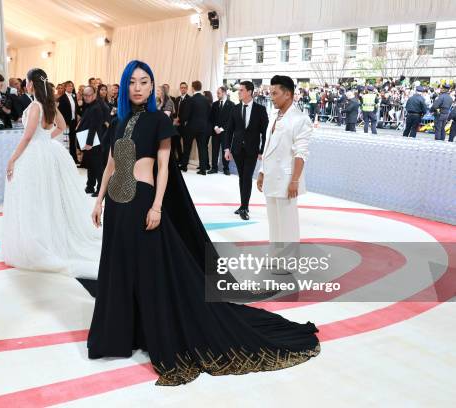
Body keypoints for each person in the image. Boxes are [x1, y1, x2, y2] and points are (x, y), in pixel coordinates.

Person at [87, 60, 320, 386]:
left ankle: (156, 330)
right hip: (116, 205)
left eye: (144, 81)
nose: (138, 87)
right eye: (132, 82)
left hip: (142, 202)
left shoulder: (159, 120)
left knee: (151, 273)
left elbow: (165, 169)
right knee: (119, 269)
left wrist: (156, 207)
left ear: (152, 86)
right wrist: (98, 201)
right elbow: (110, 163)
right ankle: (122, 334)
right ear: (125, 86)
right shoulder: (119, 120)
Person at [1, 68, 101, 278]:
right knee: (47, 197)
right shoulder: (49, 105)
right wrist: (46, 138)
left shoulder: (36, 106)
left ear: (30, 84)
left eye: (26, 81)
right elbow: (63, 126)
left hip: (33, 155)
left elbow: (27, 137)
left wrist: (12, 159)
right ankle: (49, 235)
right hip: (47, 152)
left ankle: (37, 240)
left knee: (33, 198)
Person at [257, 75, 311, 247]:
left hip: (287, 179)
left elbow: (301, 154)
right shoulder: (274, 115)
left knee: (287, 223)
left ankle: (289, 260)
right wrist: (262, 171)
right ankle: (276, 255)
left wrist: (294, 180)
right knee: (274, 221)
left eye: (275, 93)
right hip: (271, 175)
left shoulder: (300, 119)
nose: (271, 97)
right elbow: (267, 146)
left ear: (287, 94)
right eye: (271, 93)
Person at [224, 81, 268, 220]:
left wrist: (262, 150)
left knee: (247, 176)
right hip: (237, 149)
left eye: (241, 90)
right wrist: (227, 149)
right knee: (242, 177)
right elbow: (229, 131)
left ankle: (244, 207)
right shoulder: (235, 109)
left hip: (252, 150)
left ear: (249, 92)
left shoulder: (260, 109)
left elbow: (265, 132)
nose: (239, 92)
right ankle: (243, 204)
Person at [78, 86, 105, 196]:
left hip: (94, 141)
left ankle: (100, 190)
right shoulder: (90, 106)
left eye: (89, 95)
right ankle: (90, 186)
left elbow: (94, 127)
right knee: (91, 165)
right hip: (91, 140)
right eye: (84, 95)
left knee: (98, 166)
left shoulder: (96, 107)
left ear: (94, 95)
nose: (86, 97)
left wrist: (89, 143)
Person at [179, 80, 210, 174]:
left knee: (187, 147)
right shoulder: (206, 100)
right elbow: (209, 113)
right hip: (203, 127)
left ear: (192, 88)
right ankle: (203, 169)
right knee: (202, 148)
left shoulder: (191, 100)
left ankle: (184, 166)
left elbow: (186, 115)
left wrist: (182, 121)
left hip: (191, 127)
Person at [209, 86, 235, 175]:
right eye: (217, 93)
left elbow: (231, 120)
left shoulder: (231, 105)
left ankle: (226, 168)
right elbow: (211, 118)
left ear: (224, 93)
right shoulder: (214, 104)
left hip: (225, 133)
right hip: (215, 131)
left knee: (225, 150)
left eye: (218, 93)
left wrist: (221, 129)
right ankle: (214, 168)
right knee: (214, 150)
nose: (217, 95)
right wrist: (215, 127)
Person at [58, 80, 80, 164]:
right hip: (66, 122)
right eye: (69, 86)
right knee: (66, 141)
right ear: (65, 87)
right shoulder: (62, 98)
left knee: (73, 141)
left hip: (74, 122)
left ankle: (74, 159)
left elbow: (76, 109)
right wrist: (63, 122)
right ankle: (66, 159)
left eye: (72, 86)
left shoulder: (74, 96)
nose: (70, 87)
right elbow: (60, 112)